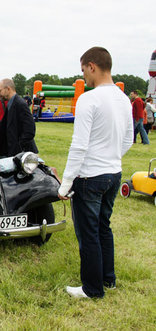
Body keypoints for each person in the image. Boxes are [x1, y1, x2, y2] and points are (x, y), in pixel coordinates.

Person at [58, 47, 133, 299]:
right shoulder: (124, 99)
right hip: (114, 173)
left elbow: (79, 145)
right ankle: (108, 279)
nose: (83, 77)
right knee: (103, 228)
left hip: (90, 176)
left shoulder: (88, 99)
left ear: (92, 66)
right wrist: (111, 157)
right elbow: (129, 140)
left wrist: (65, 182)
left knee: (88, 233)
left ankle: (92, 288)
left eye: (83, 71)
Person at [0, 78, 38, 158]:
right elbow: (3, 123)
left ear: (8, 89)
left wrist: (18, 148)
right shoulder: (11, 103)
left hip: (23, 154)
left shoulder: (20, 104)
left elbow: (30, 130)